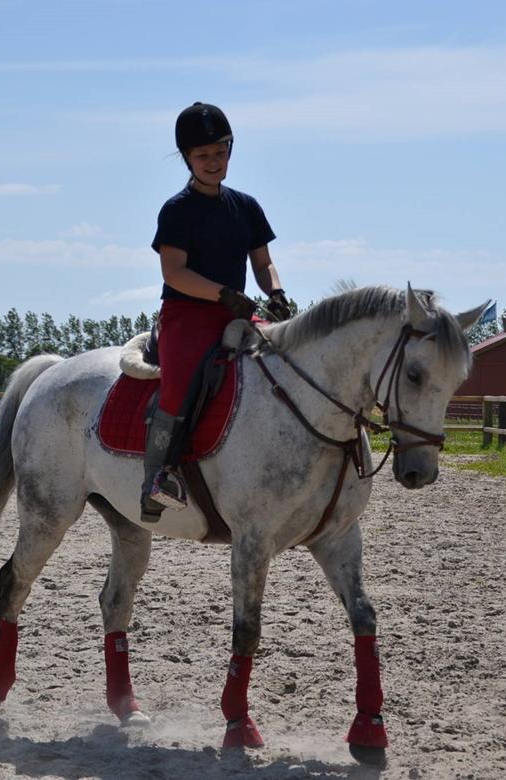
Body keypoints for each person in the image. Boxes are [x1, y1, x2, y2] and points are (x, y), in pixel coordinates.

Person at [141, 101, 292, 521]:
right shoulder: (177, 210)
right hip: (187, 315)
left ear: (230, 150)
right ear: (187, 159)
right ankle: (157, 477)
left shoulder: (246, 206)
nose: (213, 162)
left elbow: (262, 263)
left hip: (238, 313)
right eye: (202, 155)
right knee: (179, 382)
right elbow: (174, 272)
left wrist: (276, 291)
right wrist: (223, 294)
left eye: (219, 152)